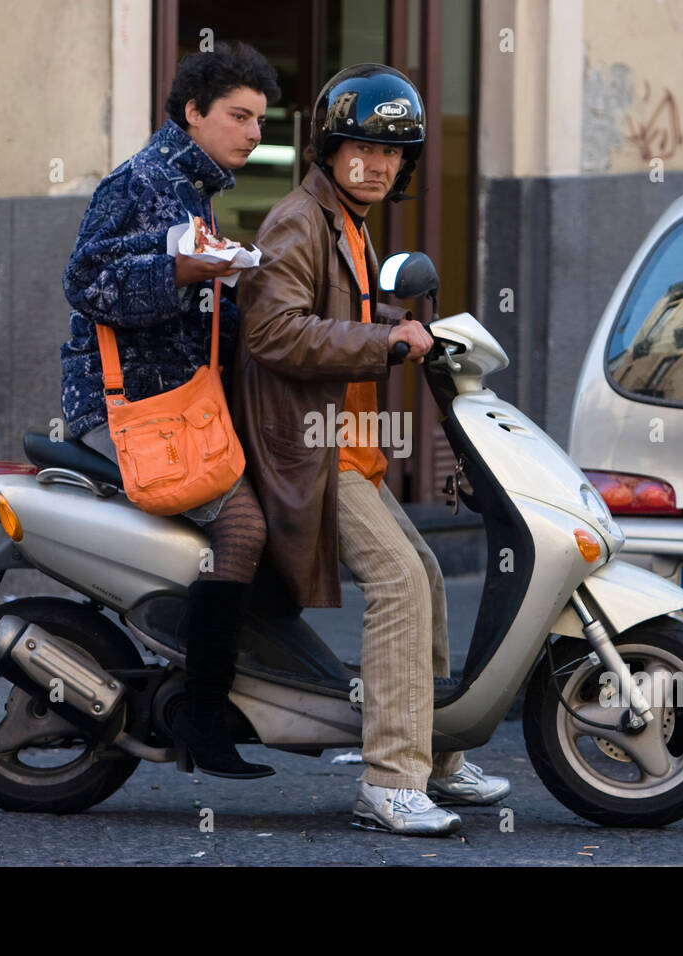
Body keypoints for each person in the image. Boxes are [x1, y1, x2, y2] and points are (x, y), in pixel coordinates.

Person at [233, 64, 511, 835]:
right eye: (364, 147)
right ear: (330, 148)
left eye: (394, 153)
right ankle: (389, 782)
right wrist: (385, 338)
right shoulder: (297, 219)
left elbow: (342, 305)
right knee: (397, 585)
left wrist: (407, 324)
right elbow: (274, 329)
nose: (380, 164)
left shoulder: (345, 222)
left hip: (351, 449)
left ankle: (439, 759)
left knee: (423, 571)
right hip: (315, 451)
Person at [60, 41, 281, 779]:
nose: (254, 133)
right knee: (244, 525)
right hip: (129, 408)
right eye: (239, 116)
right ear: (193, 112)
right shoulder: (143, 180)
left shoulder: (193, 187)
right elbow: (85, 281)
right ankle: (202, 715)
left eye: (260, 119)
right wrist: (179, 270)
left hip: (180, 405)